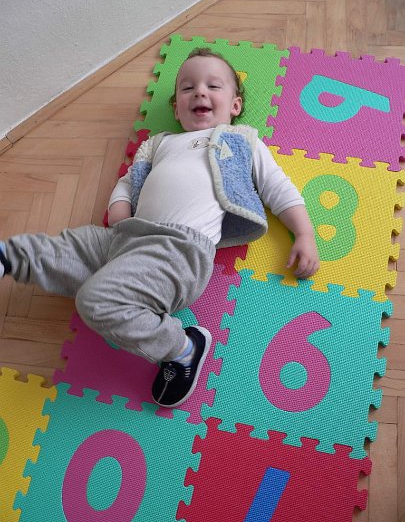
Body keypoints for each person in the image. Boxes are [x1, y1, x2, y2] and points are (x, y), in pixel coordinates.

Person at [0, 48, 319, 408]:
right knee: (71, 245)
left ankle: (182, 348)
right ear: (177, 108)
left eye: (213, 86)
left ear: (235, 105)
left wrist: (303, 233)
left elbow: (277, 187)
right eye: (187, 88)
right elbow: (129, 180)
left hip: (178, 250)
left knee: (97, 300)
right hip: (126, 236)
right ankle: (9, 257)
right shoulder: (159, 144)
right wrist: (119, 206)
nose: (199, 92)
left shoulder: (241, 141)